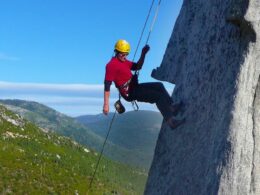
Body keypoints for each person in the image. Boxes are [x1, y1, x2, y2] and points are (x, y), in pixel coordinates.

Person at [103, 39, 185, 129]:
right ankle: (171, 122)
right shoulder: (111, 65)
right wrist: (106, 104)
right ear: (116, 51)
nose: (125, 56)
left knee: (159, 85)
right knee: (157, 96)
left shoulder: (124, 61)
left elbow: (138, 66)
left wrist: (143, 54)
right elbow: (107, 85)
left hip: (135, 87)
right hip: (130, 93)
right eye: (123, 53)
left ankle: (171, 108)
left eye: (127, 54)